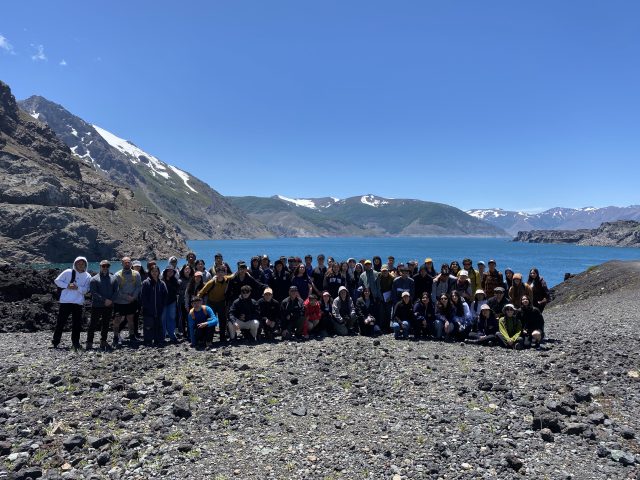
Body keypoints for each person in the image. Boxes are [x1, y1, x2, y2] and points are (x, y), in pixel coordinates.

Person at [52, 256, 91, 350]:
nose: (81, 265)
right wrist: (67, 285)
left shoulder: (88, 276)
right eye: (79, 263)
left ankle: (75, 342)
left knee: (77, 324)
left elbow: (87, 290)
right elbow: (57, 281)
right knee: (61, 322)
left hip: (78, 303)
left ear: (85, 265)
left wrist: (78, 288)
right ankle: (55, 341)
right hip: (66, 301)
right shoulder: (68, 272)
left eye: (83, 263)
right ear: (75, 264)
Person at [87, 260, 119, 350]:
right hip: (97, 306)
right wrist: (104, 300)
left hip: (109, 306)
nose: (105, 268)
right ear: (100, 266)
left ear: (109, 267)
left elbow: (116, 291)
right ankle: (89, 342)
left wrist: (111, 300)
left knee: (106, 324)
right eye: (103, 266)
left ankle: (103, 341)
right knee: (92, 324)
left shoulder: (114, 278)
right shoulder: (94, 279)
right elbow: (93, 292)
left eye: (107, 266)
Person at [112, 257, 142, 347]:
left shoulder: (136, 274)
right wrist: (126, 297)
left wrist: (133, 297)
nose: (127, 264)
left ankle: (132, 336)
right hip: (119, 302)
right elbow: (116, 290)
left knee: (130, 319)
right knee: (117, 320)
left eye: (128, 262)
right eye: (125, 262)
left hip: (132, 301)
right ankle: (115, 337)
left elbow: (138, 287)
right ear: (122, 264)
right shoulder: (117, 275)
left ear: (131, 263)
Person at [198, 266, 230, 342]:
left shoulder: (227, 280)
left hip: (221, 303)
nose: (220, 274)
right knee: (211, 320)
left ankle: (222, 337)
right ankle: (209, 338)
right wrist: (197, 303)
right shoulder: (212, 282)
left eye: (222, 272)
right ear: (216, 273)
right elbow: (201, 292)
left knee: (223, 320)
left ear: (225, 273)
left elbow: (233, 275)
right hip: (211, 303)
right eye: (219, 272)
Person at [140, 265, 168, 347]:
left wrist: (162, 305)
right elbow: (143, 296)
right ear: (150, 272)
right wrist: (146, 306)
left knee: (158, 324)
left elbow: (165, 295)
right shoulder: (146, 282)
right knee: (148, 325)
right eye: (153, 271)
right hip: (148, 308)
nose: (154, 273)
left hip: (159, 308)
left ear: (159, 272)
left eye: (156, 271)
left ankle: (158, 340)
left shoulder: (161, 283)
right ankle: (148, 340)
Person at [161, 265, 180, 342]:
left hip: (172, 302)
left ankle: (172, 335)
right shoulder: (161, 281)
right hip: (163, 303)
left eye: (172, 271)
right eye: (168, 271)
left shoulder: (175, 281)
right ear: (165, 272)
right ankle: (162, 336)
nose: (170, 272)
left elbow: (177, 291)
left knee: (171, 318)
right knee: (162, 319)